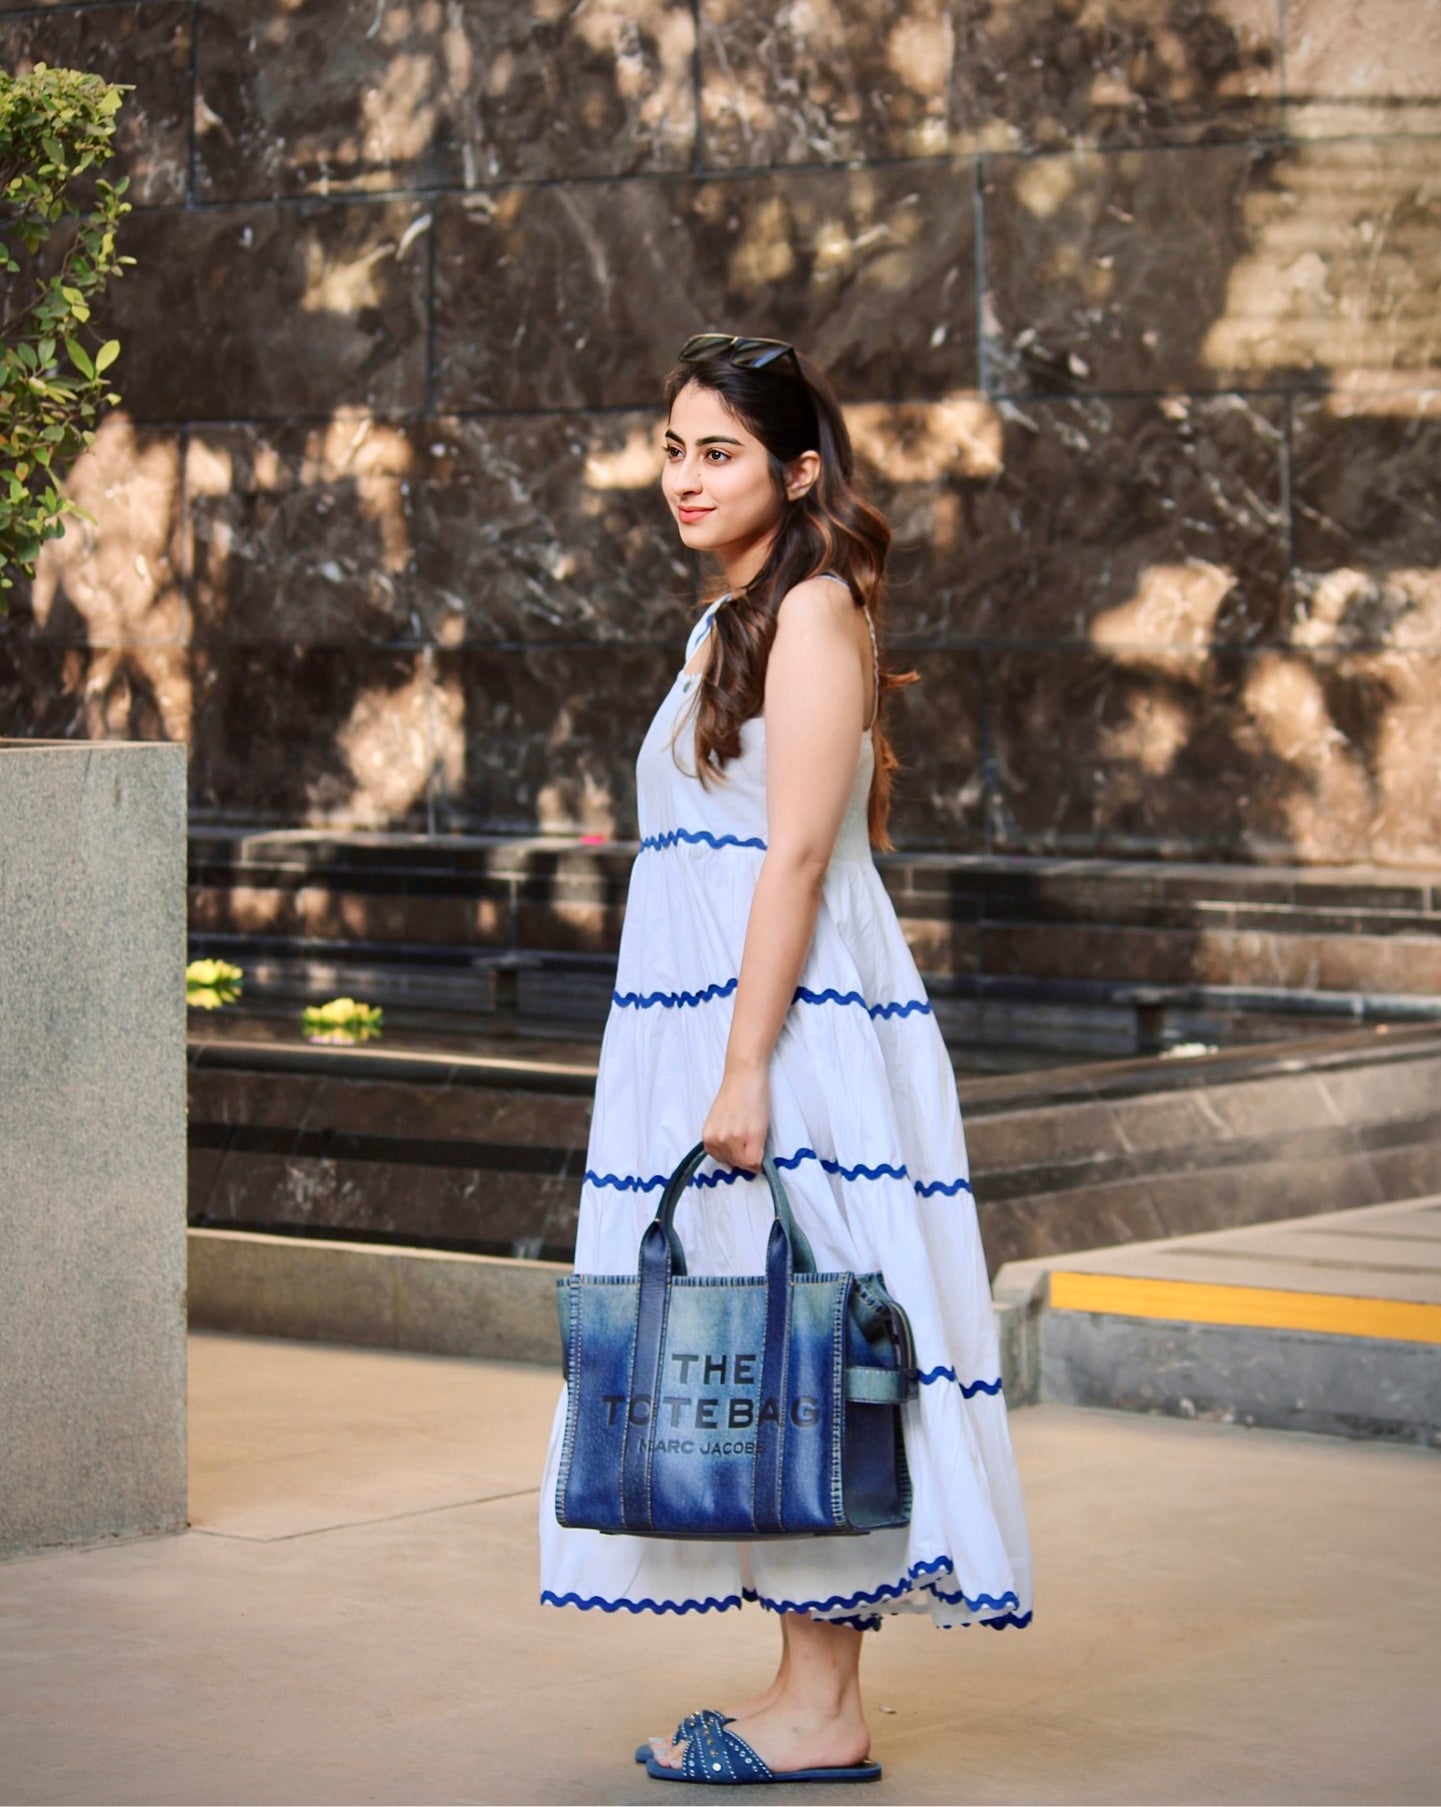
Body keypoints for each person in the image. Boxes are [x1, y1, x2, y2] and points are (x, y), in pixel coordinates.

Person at [537, 333, 1032, 1786]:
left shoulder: (811, 615)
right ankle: (803, 1685)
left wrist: (743, 1067)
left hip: (791, 1029)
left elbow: (800, 856)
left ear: (795, 470)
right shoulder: (730, 624)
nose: (682, 478)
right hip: (721, 1015)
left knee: (813, 1336)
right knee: (766, 1349)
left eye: (719, 453)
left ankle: (825, 1711)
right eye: (673, 448)